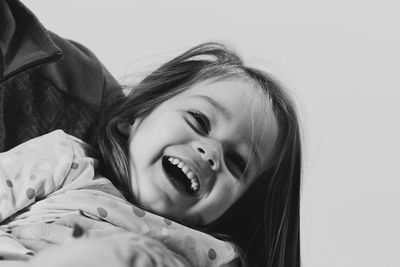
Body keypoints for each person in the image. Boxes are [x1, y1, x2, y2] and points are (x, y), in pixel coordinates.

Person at [0, 42, 302, 267]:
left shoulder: (218, 255)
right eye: (199, 121)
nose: (211, 153)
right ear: (133, 117)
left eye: (237, 163)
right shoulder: (66, 160)